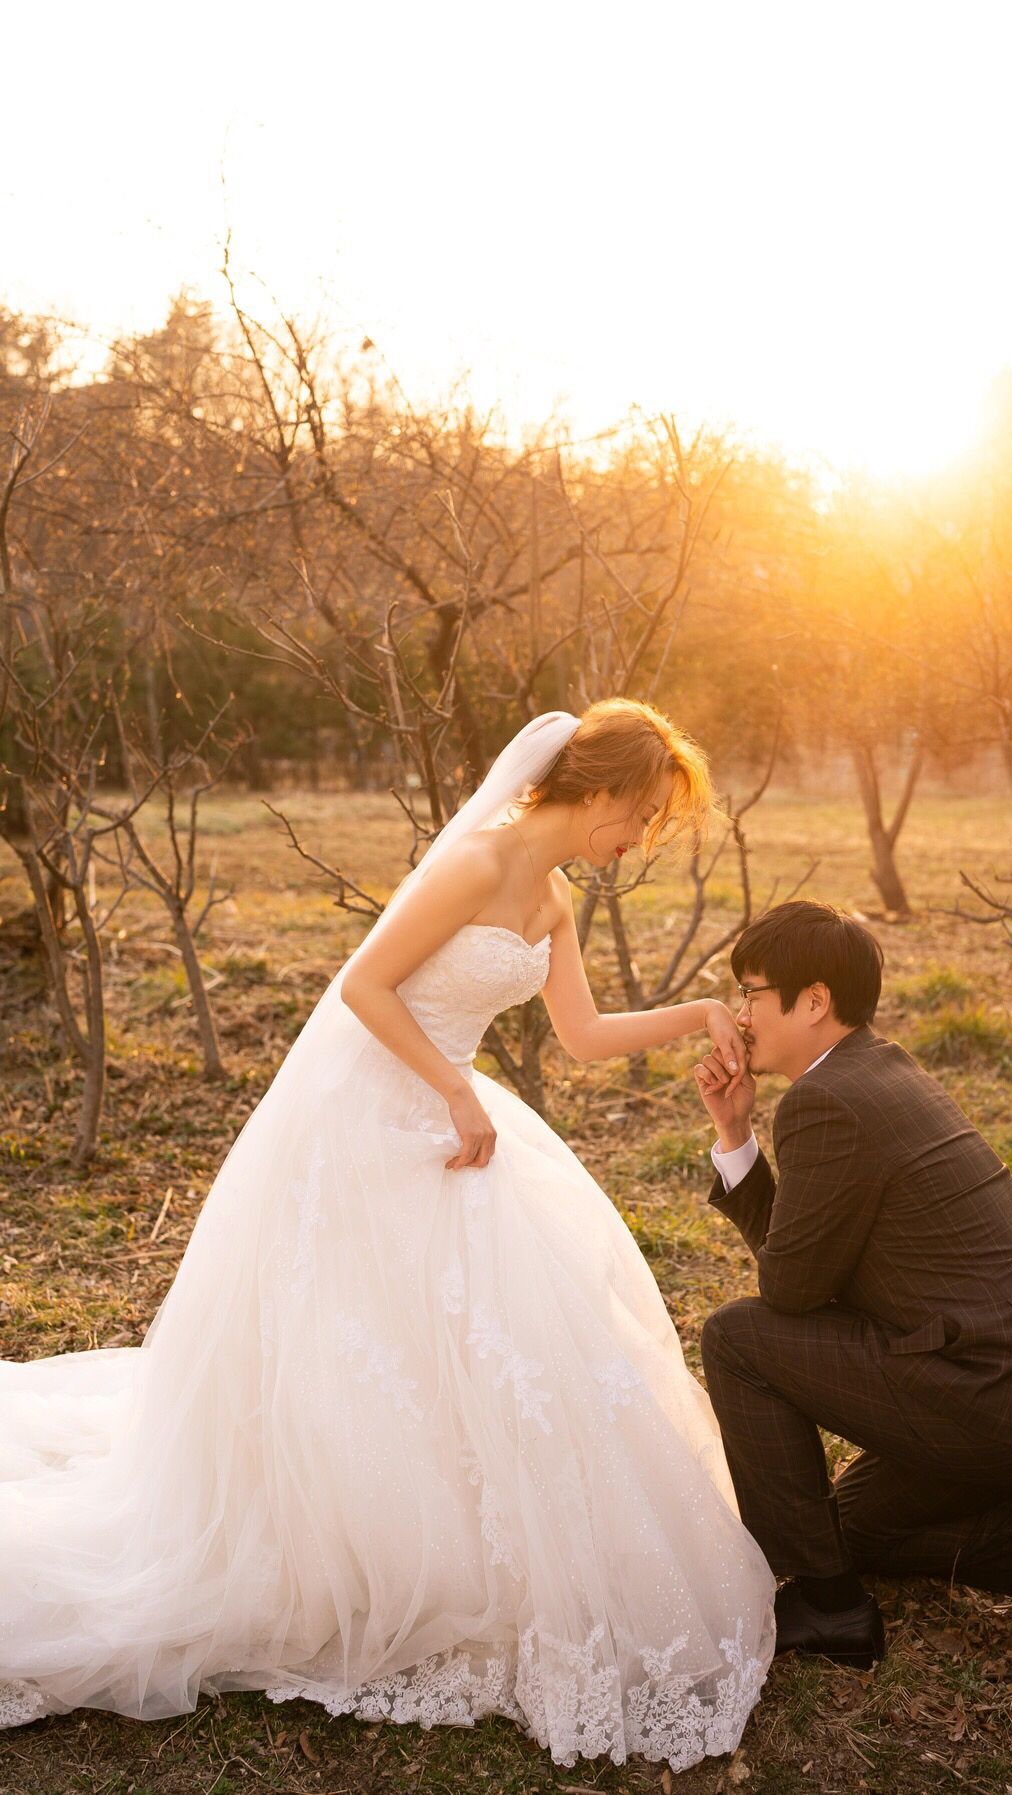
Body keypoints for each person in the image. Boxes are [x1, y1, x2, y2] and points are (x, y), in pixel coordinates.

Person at [0, 701, 776, 1774]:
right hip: (374, 1115)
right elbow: (361, 985)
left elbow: (584, 1035)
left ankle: (458, 1548)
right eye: (640, 815)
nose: (637, 841)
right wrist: (454, 1089)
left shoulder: (553, 898)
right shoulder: (476, 861)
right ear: (598, 789)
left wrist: (697, 1014)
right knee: (367, 1335)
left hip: (456, 1122)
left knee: (494, 1333)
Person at [694, 900, 1012, 1670]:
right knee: (851, 1528)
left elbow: (789, 1289)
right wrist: (736, 1132)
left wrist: (741, 1141)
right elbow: (805, 1264)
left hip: (1000, 1393)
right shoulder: (879, 1066)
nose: (740, 1014)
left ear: (814, 1000)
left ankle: (832, 1608)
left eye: (752, 992)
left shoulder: (825, 1100)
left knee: (736, 1338)